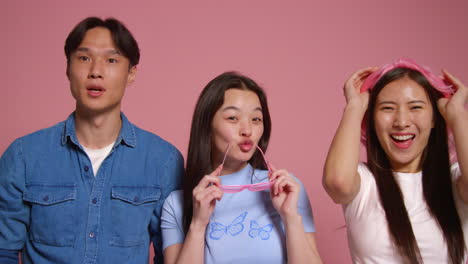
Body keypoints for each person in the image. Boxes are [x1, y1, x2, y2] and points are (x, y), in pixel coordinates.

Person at [0, 17, 184, 264]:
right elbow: (4, 251)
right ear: (67, 68)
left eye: (111, 60)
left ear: (131, 74)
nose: (96, 71)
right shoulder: (23, 156)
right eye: (84, 58)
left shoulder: (163, 161)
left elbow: (170, 256)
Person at [161, 72, 322, 263]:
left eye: (256, 119)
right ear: (207, 126)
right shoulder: (176, 204)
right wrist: (197, 224)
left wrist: (291, 217)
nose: (247, 130)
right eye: (232, 118)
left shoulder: (287, 189)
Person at [323, 58, 468, 263]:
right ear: (371, 119)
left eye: (415, 107)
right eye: (387, 108)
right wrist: (355, 107)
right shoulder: (364, 183)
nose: (401, 122)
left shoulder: (455, 182)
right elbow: (337, 182)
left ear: (435, 117)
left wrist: (457, 114)